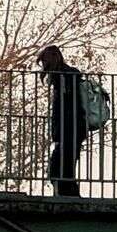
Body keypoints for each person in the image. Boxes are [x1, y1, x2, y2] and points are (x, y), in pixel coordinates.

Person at [40, 45, 88, 197]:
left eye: (44, 63)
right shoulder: (70, 75)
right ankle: (68, 192)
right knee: (67, 164)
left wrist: (57, 129)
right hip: (74, 127)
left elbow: (64, 106)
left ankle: (67, 194)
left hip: (68, 127)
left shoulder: (63, 77)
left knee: (60, 164)